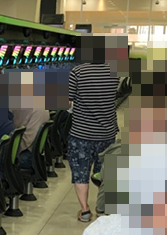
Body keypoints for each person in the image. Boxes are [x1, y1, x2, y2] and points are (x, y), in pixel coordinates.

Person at [68, 37, 120, 222]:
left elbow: (68, 101)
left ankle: (84, 211)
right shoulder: (115, 72)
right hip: (107, 133)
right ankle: (102, 209)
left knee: (80, 173)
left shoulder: (77, 72)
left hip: (81, 134)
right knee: (103, 173)